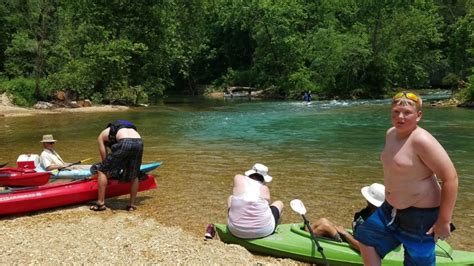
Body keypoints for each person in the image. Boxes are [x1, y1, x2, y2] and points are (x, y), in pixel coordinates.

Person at [355, 91, 458, 265]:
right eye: (396, 112)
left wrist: (444, 221)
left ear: (418, 116)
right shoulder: (391, 134)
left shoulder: (422, 140)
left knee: (417, 262)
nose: (400, 117)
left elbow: (451, 178)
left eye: (407, 113)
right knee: (366, 237)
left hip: (421, 218)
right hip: (390, 210)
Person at [308, 183, 385, 252]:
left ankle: (307, 242)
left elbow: (365, 248)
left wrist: (345, 234)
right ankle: (306, 233)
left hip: (356, 244)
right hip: (353, 238)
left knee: (325, 227)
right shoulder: (367, 211)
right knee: (323, 220)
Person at [90, 120, 143, 212]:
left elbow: (104, 159)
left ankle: (100, 203)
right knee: (134, 175)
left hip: (124, 142)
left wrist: (108, 172)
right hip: (139, 143)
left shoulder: (102, 135)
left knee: (102, 170)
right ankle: (131, 205)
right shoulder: (128, 128)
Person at [227, 163, 284, 239]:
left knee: (230, 198)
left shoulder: (238, 178)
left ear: (250, 173)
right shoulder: (264, 189)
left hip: (235, 230)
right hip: (263, 231)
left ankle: (234, 223)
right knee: (279, 203)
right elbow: (267, 207)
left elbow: (241, 179)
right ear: (264, 179)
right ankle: (273, 230)